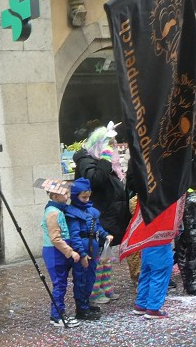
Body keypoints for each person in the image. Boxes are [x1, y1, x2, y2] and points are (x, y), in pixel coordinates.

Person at [72, 123, 129, 304]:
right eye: (109, 144)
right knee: (97, 257)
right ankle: (94, 292)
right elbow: (96, 180)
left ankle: (106, 288)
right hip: (98, 216)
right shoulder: (86, 161)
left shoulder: (105, 162)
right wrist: (105, 157)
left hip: (109, 216)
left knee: (106, 257)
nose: (113, 148)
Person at [65, 179, 112, 321]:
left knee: (91, 277)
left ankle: (86, 303)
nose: (86, 200)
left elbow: (97, 227)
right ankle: (81, 308)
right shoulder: (73, 213)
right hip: (83, 249)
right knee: (81, 278)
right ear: (75, 196)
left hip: (93, 246)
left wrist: (105, 235)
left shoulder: (92, 211)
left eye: (88, 197)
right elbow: (75, 235)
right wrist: (82, 253)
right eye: (83, 197)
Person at [39, 180, 80, 328]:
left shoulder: (58, 210)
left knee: (61, 284)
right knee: (59, 285)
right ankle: (57, 316)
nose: (68, 196)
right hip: (55, 253)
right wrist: (70, 252)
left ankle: (58, 313)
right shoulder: (53, 213)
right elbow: (55, 238)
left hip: (59, 252)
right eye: (65, 193)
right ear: (56, 196)